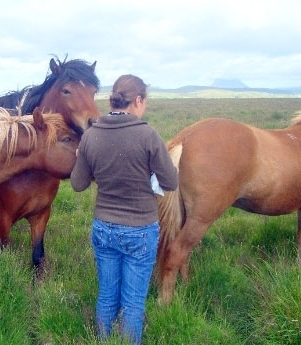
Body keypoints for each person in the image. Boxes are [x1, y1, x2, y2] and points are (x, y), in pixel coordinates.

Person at [70, 74, 178, 344]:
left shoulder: (91, 136)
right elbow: (171, 182)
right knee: (133, 303)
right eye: (146, 101)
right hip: (140, 230)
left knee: (107, 296)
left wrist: (81, 158)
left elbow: (78, 184)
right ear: (138, 100)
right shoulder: (148, 135)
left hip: (103, 227)